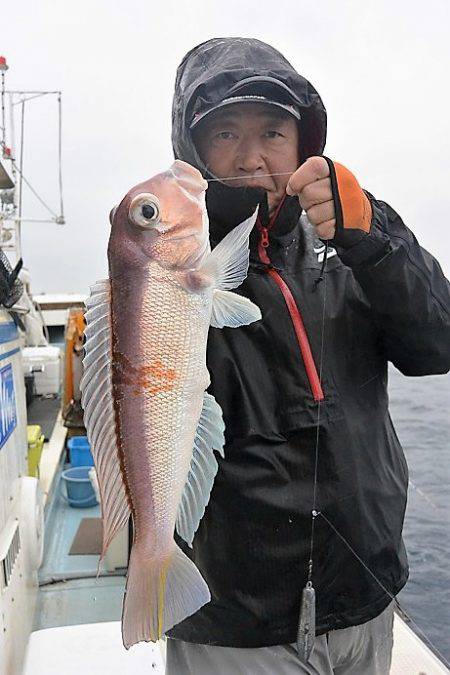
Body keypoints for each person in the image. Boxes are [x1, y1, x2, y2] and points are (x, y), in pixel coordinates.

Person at [163, 37, 450, 673]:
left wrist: (374, 236)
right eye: (226, 134)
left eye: (273, 131)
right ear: (192, 149)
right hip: (232, 621)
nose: (252, 157)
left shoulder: (353, 243)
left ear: (305, 145)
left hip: (361, 600)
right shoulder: (173, 269)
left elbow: (438, 344)